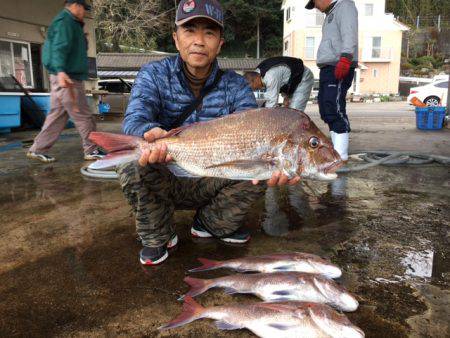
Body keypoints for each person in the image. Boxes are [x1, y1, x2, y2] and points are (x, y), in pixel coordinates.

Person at [118, 0, 300, 266]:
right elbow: (135, 118)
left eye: (209, 32)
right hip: (166, 171)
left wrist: (281, 161)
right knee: (131, 161)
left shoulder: (236, 85)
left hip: (214, 176)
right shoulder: (153, 74)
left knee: (260, 168)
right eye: (190, 30)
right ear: (176, 39)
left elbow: (255, 130)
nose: (199, 41)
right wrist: (149, 133)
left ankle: (210, 223)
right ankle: (159, 234)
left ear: (220, 43)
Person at [27, 0, 104, 163]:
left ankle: (38, 149)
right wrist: (61, 70)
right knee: (83, 115)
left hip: (63, 75)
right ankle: (92, 149)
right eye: (84, 8)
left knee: (57, 116)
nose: (85, 12)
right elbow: (59, 48)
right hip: (67, 77)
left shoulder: (71, 22)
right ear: (75, 5)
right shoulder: (66, 22)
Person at [305, 0, 358, 161]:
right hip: (328, 67)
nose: (316, 8)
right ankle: (336, 152)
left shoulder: (345, 6)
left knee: (334, 107)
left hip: (339, 64)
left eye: (315, 4)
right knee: (326, 108)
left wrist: (346, 58)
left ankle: (341, 155)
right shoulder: (330, 13)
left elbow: (349, 32)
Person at [244, 57, 315, 111]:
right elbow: (283, 79)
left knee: (295, 111)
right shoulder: (257, 73)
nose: (255, 90)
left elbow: (271, 104)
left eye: (254, 88)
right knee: (287, 109)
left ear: (255, 80)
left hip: (303, 77)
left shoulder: (270, 76)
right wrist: (286, 96)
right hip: (293, 80)